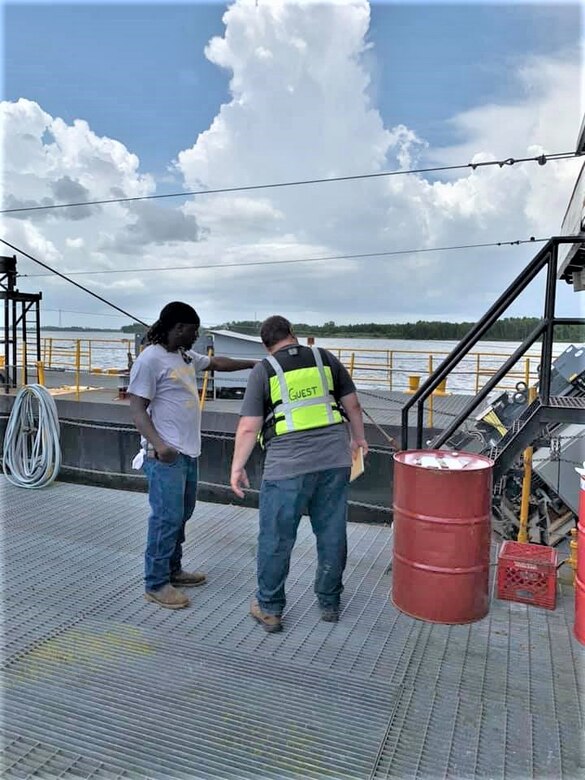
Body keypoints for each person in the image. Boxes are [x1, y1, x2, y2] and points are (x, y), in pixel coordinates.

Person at [230, 315, 368, 632]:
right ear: (293, 334)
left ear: (266, 346)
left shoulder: (264, 370)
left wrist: (237, 467)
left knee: (276, 537)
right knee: (331, 531)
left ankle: (270, 608)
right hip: (334, 460)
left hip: (287, 466)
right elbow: (353, 406)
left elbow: (249, 426)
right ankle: (329, 602)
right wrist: (358, 439)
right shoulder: (325, 358)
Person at [128, 301, 256, 610]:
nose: (196, 337)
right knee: (166, 517)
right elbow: (136, 408)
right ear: (179, 328)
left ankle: (173, 569)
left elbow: (216, 364)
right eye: (194, 331)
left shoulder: (182, 356)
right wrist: (160, 445)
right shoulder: (150, 360)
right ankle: (156, 582)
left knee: (182, 514)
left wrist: (255, 365)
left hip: (187, 453)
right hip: (166, 456)